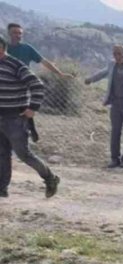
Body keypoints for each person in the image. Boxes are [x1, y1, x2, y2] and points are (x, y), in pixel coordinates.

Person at [0, 35, 59, 198]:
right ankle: (2, 188)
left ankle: (50, 178)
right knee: (2, 154)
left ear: (1, 48)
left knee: (24, 154)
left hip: (15, 118)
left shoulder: (16, 65)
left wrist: (32, 108)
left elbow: (37, 85)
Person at [85, 45, 123, 168]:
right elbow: (102, 73)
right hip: (116, 104)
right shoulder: (112, 66)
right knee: (115, 132)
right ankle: (114, 159)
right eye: (115, 54)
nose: (117, 56)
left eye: (119, 54)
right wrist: (90, 79)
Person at [6, 23, 74, 79]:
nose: (18, 35)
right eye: (15, 33)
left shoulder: (27, 48)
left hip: (22, 82)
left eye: (20, 33)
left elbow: (44, 61)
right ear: (9, 33)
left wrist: (60, 74)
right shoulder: (3, 48)